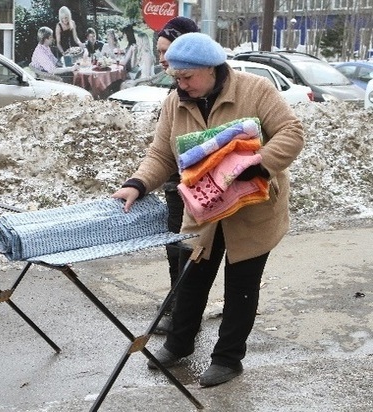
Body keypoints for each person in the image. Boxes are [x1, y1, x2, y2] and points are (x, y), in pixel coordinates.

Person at [112, 32, 305, 387]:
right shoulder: (176, 102)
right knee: (192, 276)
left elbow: (292, 132)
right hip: (203, 204)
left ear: (212, 69)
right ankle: (179, 343)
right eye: (176, 77)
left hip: (253, 206)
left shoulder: (255, 90)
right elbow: (161, 154)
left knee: (241, 284)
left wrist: (258, 163)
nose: (181, 85)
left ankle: (228, 358)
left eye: (187, 77)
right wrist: (136, 184)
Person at [152, 16, 200, 335]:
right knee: (175, 248)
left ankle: (185, 315)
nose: (161, 59)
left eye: (166, 51)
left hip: (197, 188)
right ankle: (177, 302)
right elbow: (162, 146)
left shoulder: (198, 89)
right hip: (175, 184)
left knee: (187, 250)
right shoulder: (174, 89)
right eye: (158, 52)